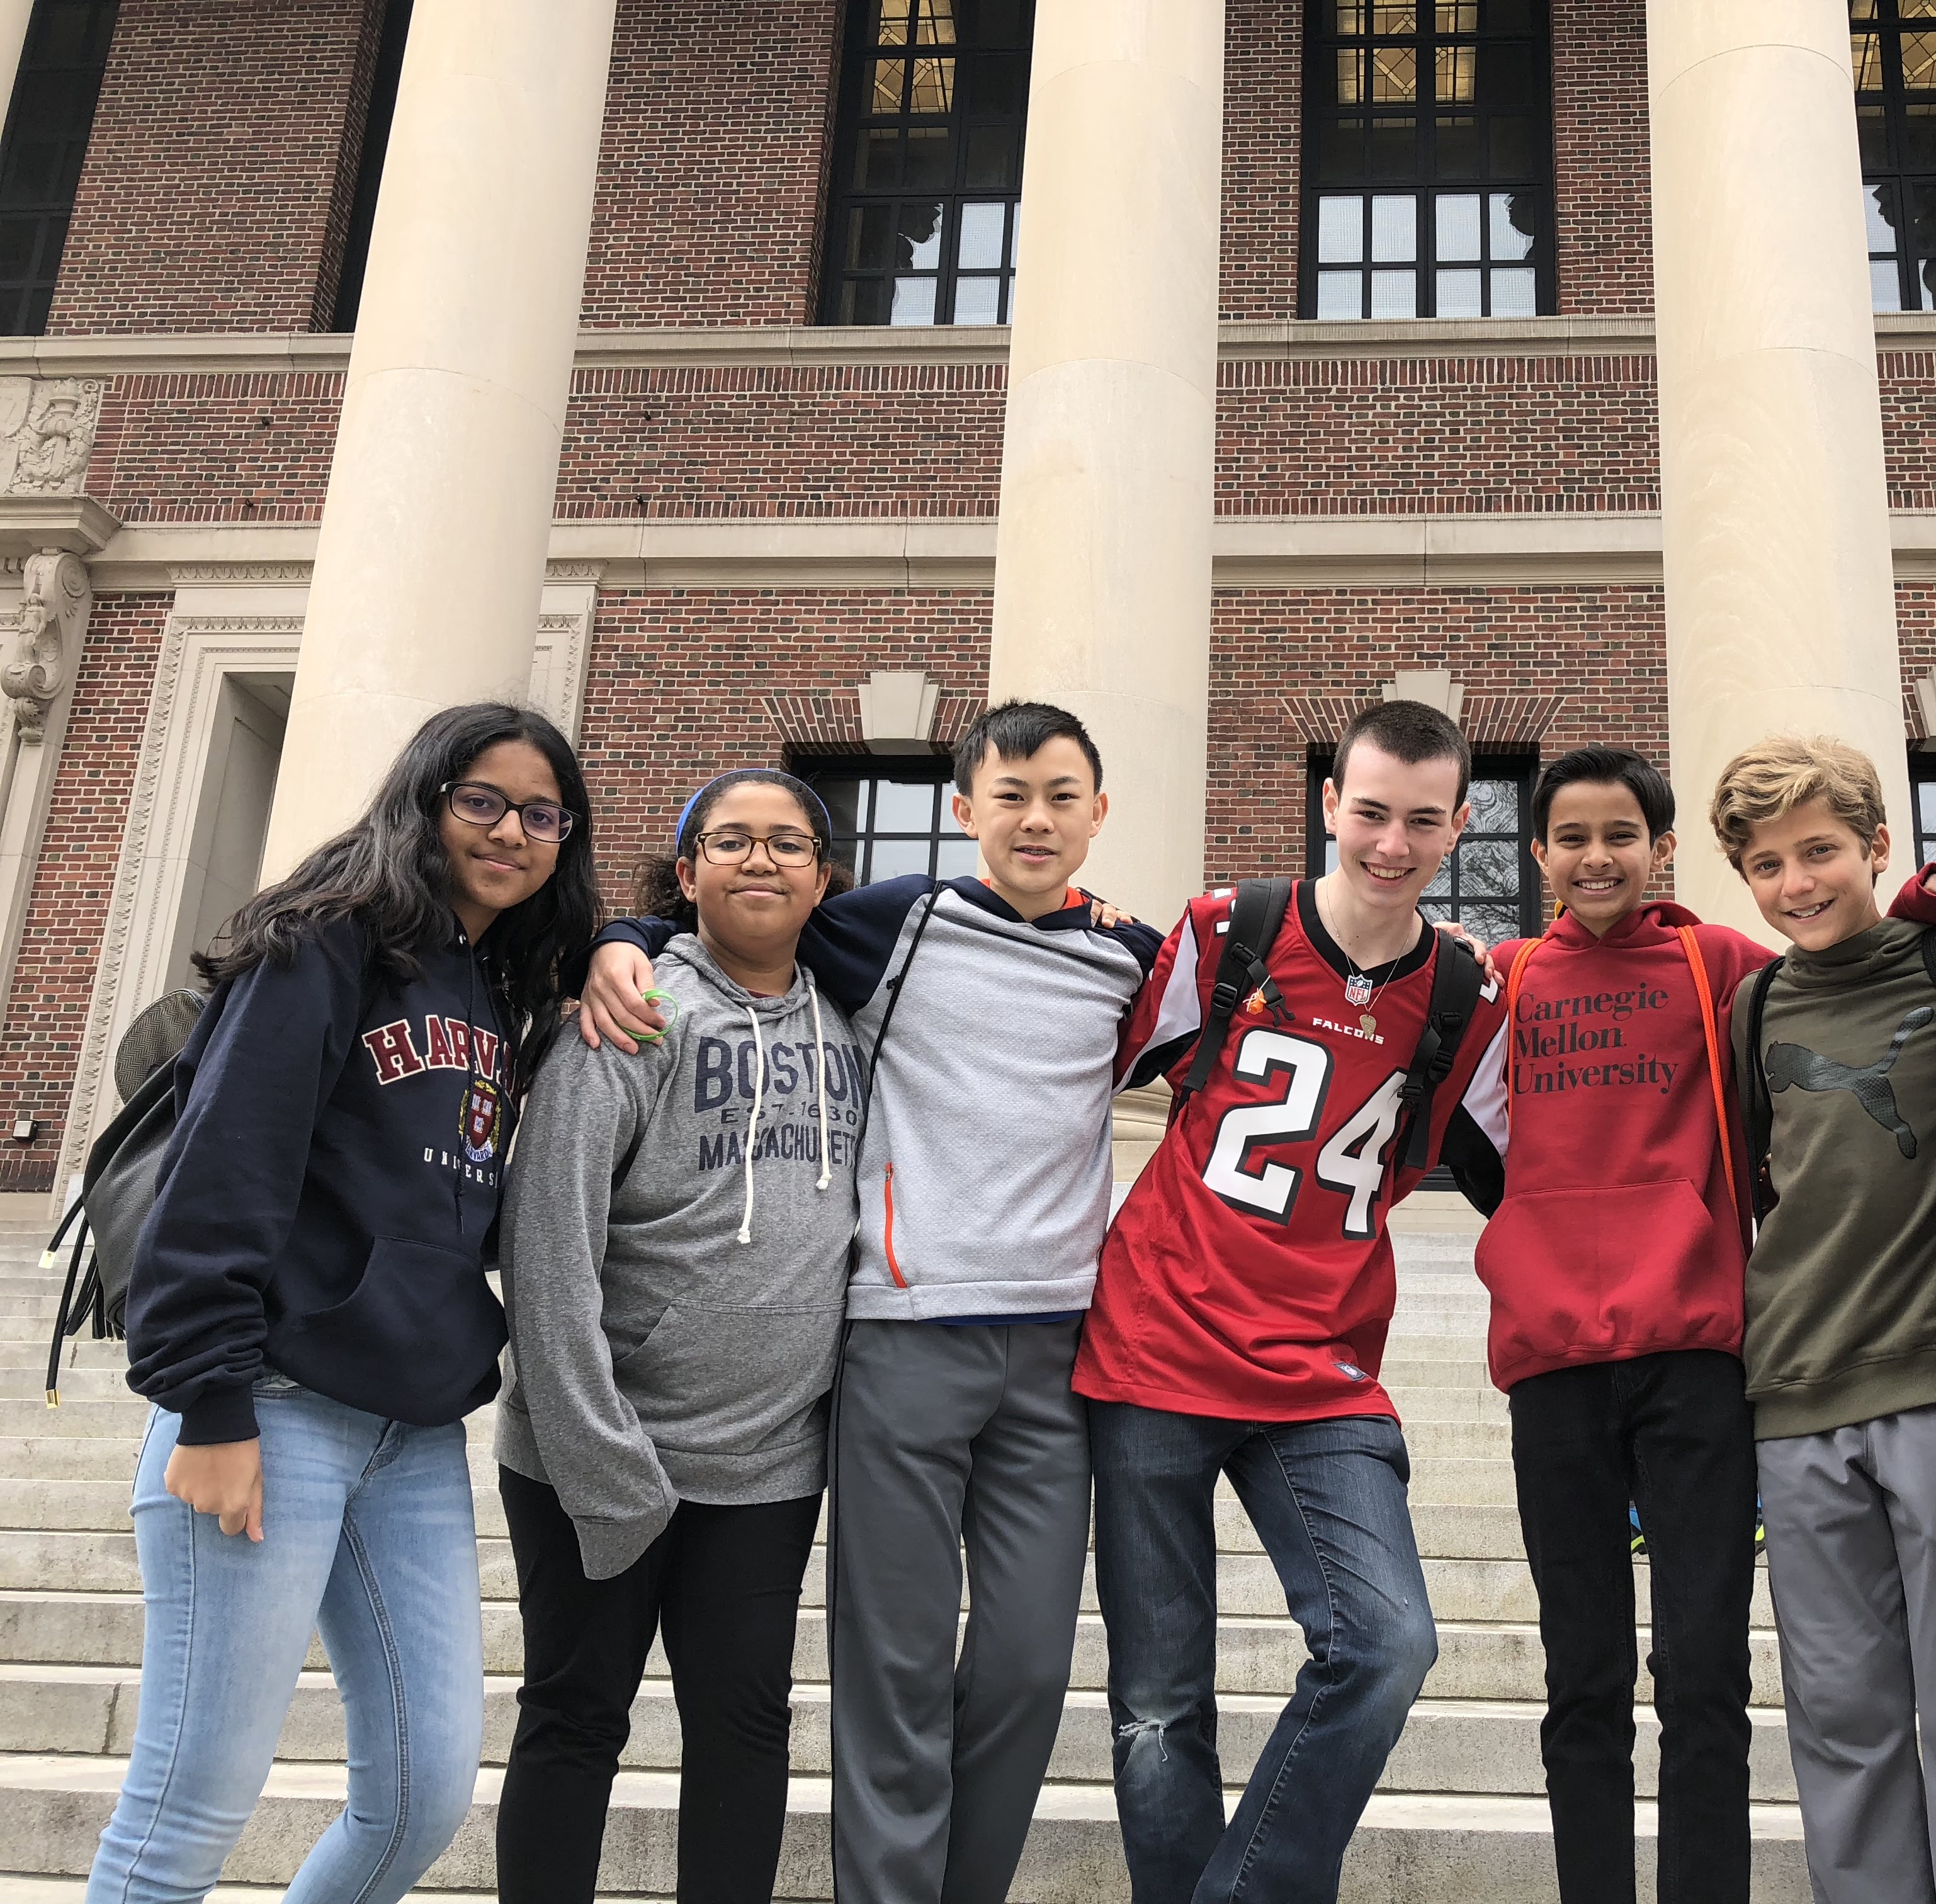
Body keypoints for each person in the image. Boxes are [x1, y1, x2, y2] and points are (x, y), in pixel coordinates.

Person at [573, 703, 1162, 1904]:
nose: (1035, 819)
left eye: (1061, 796)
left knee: (1026, 1668)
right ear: (964, 814)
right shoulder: (896, 923)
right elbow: (746, 909)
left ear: (1100, 815)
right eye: (1009, 796)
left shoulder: (1137, 956)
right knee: (890, 1673)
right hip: (902, 1342)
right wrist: (621, 936)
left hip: (1057, 1356)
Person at [92, 703, 596, 1903]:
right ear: (423, 800)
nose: (511, 831)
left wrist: (610, 952)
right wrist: (210, 1409)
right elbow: (222, 1180)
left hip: (411, 1435)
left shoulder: (494, 980)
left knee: (420, 1802)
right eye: (482, 800)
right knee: (186, 1812)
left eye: (541, 814)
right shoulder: (323, 944)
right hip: (266, 1408)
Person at [1080, 698, 1510, 1904]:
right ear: (1330, 804)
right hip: (1156, 1348)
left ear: (1460, 825)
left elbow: (1534, 1170)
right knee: (1159, 1706)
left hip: (1323, 1370)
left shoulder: (1471, 995)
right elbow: (1074, 1062)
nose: (1392, 842)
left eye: (1423, 821)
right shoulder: (1231, 930)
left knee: (1386, 1642)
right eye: (1370, 812)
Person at [494, 769, 854, 1903]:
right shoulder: (628, 1016)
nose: (761, 860)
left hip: (765, 1466)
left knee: (745, 1729)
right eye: (731, 841)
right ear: (687, 871)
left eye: (787, 843)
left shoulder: (851, 1023)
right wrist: (598, 1455)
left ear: (825, 879)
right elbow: (547, 1243)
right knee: (574, 1717)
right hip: (598, 1450)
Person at [1709, 734, 1936, 1904]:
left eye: (1819, 851)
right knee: (1841, 1720)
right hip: (1795, 1395)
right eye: (1766, 865)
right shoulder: (1755, 1006)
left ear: (1877, 845)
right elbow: (1767, 1186)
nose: (1797, 884)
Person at [1441, 744, 1774, 1904]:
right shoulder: (1506, 977)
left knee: (1703, 1673)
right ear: (1537, 854)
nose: (1596, 856)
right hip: (1557, 1368)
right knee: (1581, 1676)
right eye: (1571, 838)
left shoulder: (1722, 963)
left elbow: (1859, 998)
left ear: (1661, 846)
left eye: (1620, 835)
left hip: (1695, 1360)